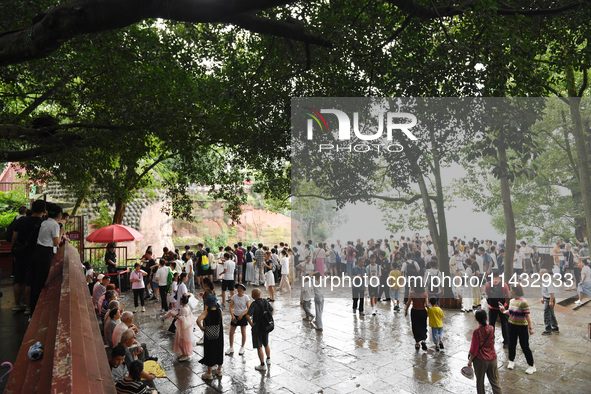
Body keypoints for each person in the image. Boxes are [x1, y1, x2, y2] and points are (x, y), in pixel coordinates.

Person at [10, 199, 45, 314]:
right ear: (44, 210)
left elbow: (14, 237)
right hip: (34, 254)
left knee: (18, 279)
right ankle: (29, 307)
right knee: (29, 281)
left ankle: (17, 304)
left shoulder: (21, 221)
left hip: (20, 253)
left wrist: (13, 250)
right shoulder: (42, 223)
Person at [30, 202, 62, 314]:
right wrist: (61, 233)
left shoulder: (45, 222)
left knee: (36, 281)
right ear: (59, 214)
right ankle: (35, 311)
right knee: (41, 282)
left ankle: (32, 309)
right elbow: (56, 242)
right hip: (45, 253)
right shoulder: (55, 225)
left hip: (38, 250)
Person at [499, 284, 536, 374]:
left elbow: (527, 316)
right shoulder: (511, 301)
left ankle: (532, 365)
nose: (510, 292)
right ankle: (511, 361)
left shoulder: (523, 302)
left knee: (524, 346)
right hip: (511, 325)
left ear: (516, 291)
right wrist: (504, 311)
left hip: (522, 327)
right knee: (512, 344)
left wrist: (530, 328)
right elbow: (511, 312)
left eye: (512, 290)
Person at [468, 310, 503, 394]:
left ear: (476, 319)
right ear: (486, 318)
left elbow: (474, 349)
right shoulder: (491, 328)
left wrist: (470, 361)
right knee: (495, 382)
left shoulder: (476, 332)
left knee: (480, 382)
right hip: (492, 358)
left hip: (481, 360)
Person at [196, 294, 224, 380]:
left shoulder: (207, 312)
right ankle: (219, 370)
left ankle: (209, 373)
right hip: (219, 335)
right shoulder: (220, 311)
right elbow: (221, 321)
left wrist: (202, 327)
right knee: (219, 350)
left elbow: (198, 320)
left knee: (210, 351)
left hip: (209, 335)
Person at [246, 288, 273, 371]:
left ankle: (262, 364)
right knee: (266, 343)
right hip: (265, 327)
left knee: (259, 346)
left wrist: (251, 324)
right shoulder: (265, 301)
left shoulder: (254, 304)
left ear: (253, 296)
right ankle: (268, 359)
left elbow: (247, 316)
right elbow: (271, 310)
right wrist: (268, 319)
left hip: (257, 328)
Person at [485, 269, 510, 348]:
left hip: (492, 307)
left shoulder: (488, 284)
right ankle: (506, 342)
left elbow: (487, 294)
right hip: (502, 307)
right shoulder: (504, 284)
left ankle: (491, 340)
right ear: (499, 275)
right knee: (504, 323)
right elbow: (508, 296)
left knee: (491, 324)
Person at [226, 282, 250, 356]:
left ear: (243, 289)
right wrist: (232, 315)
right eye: (238, 288)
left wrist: (242, 314)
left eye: (241, 288)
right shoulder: (234, 296)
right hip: (235, 315)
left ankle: (242, 347)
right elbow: (230, 307)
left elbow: (248, 308)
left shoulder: (246, 297)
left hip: (242, 316)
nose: (239, 289)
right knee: (231, 332)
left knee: (243, 332)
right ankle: (231, 347)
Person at [405, 285, 429, 351]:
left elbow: (408, 303)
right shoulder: (425, 294)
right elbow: (427, 305)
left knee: (415, 327)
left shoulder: (412, 293)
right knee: (423, 326)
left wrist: (406, 310)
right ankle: (423, 340)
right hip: (422, 311)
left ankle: (417, 343)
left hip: (414, 311)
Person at [174, 295, 195, 361]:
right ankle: (184, 353)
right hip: (186, 327)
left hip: (183, 328)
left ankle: (186, 354)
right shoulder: (187, 307)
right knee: (184, 341)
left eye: (180, 300)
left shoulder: (183, 309)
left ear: (182, 302)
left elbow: (182, 318)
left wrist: (176, 316)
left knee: (181, 341)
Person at [539, 269, 559, 335]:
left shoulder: (548, 281)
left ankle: (548, 329)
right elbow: (545, 290)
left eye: (541, 273)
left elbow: (551, 292)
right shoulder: (544, 280)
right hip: (546, 298)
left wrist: (550, 301)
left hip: (549, 299)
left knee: (546, 314)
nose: (540, 274)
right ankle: (555, 327)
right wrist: (543, 297)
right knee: (551, 313)